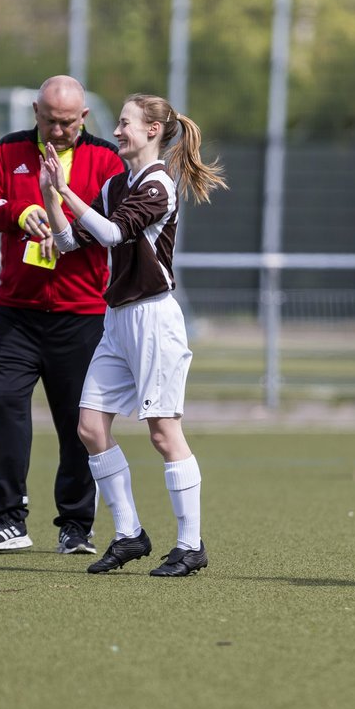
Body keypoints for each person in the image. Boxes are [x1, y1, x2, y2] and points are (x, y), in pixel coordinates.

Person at [38, 92, 226, 577]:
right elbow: (68, 242)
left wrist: (69, 194)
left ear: (152, 131)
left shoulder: (159, 184)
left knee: (164, 434)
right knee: (90, 427)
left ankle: (190, 545)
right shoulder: (116, 183)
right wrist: (51, 195)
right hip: (117, 319)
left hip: (153, 321)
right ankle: (129, 535)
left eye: (125, 123)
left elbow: (112, 236)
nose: (117, 130)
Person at [0, 76, 126, 555]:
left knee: (79, 424)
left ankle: (76, 526)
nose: (58, 131)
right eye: (49, 120)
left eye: (68, 122)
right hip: (14, 313)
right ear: (35, 110)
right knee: (4, 412)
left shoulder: (106, 159)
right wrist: (23, 211)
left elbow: (113, 229)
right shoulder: (10, 149)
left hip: (82, 315)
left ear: (83, 117)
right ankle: (7, 521)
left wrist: (62, 215)